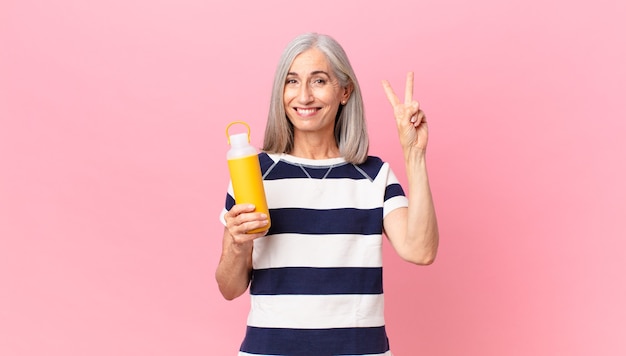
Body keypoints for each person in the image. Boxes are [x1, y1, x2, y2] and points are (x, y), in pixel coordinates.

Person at [216, 32, 439, 356]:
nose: (303, 96)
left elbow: (421, 251)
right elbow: (229, 288)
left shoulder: (374, 176)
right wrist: (237, 244)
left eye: (318, 81)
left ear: (344, 91)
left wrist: (414, 155)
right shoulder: (254, 174)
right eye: (292, 81)